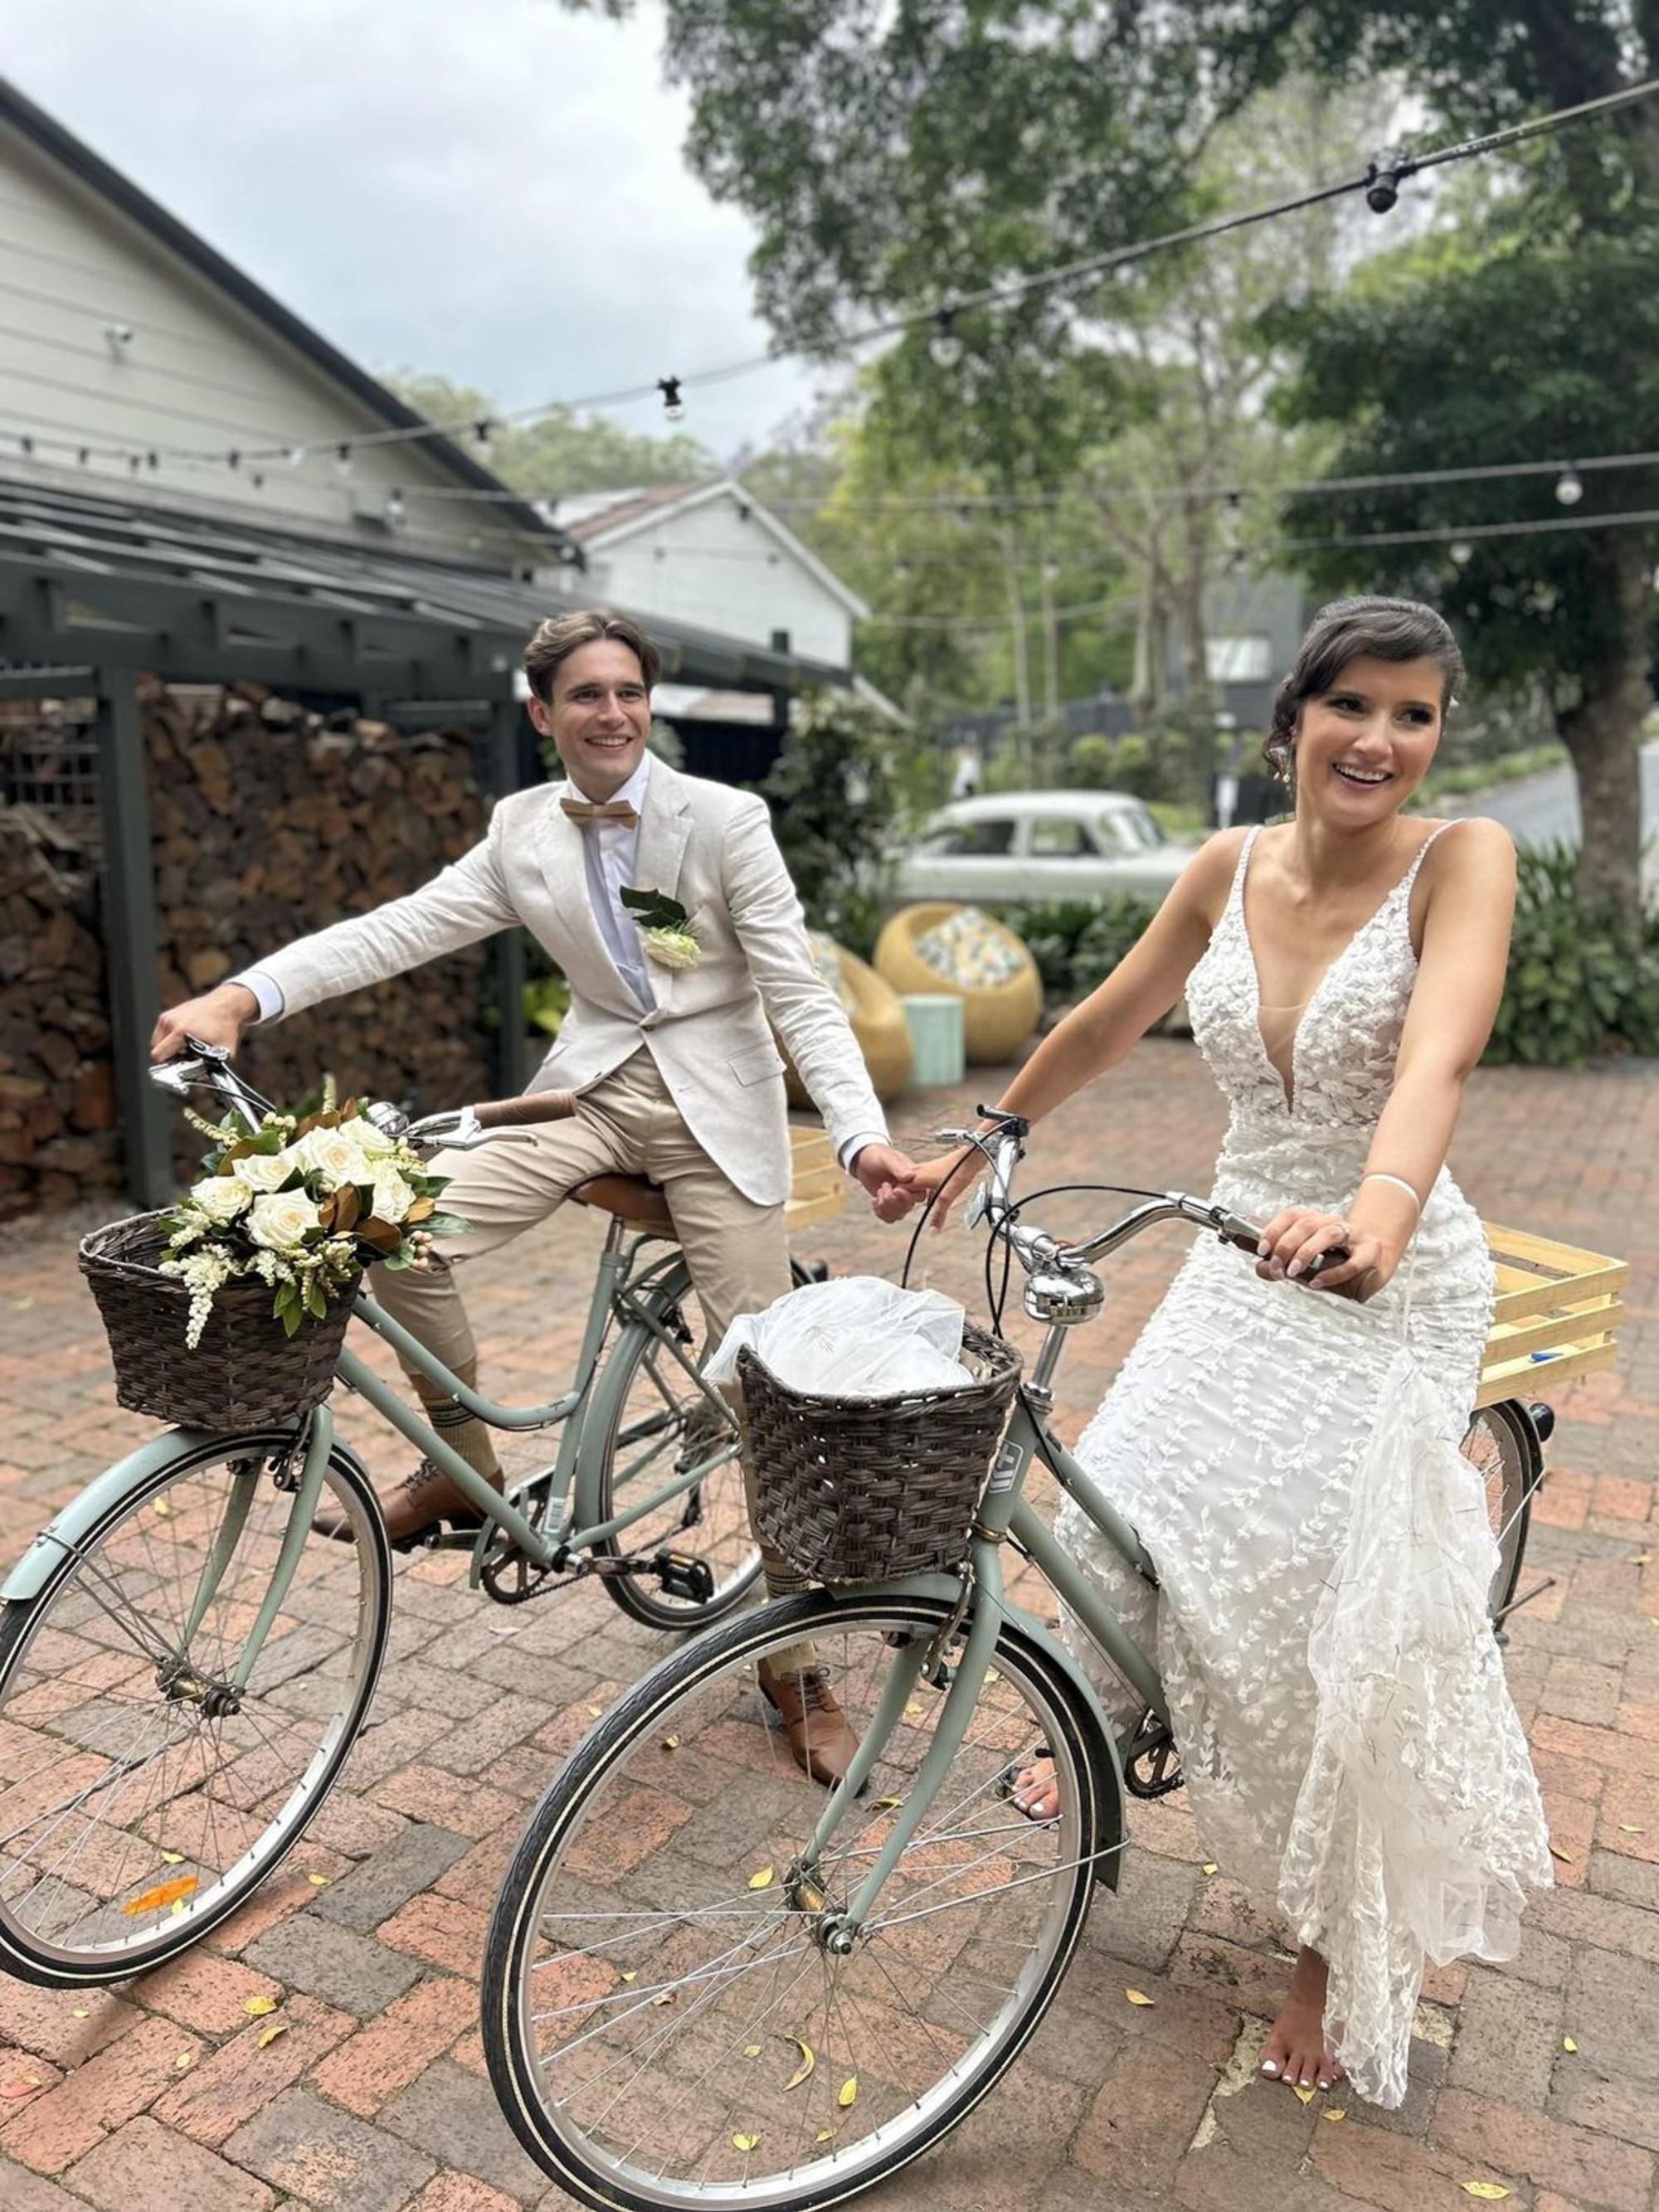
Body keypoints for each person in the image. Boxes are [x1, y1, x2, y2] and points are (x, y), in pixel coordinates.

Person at [898, 596, 1551, 2107]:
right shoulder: (1226, 865)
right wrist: (987, 1136)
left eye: (1415, 714)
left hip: (1385, 1269)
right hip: (1238, 1246)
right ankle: (1120, 1720)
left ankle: (1331, 1940)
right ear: (1293, 719)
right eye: (1353, 705)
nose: (1381, 739)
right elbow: (1112, 1013)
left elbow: (1441, 1053)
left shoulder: (1466, 860)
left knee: (1326, 1607)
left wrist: (1379, 1212)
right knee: (1111, 1508)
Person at [152, 607, 917, 1787]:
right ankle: (465, 1474)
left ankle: (795, 1663)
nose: (612, 713)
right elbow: (397, 930)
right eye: (587, 695)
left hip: (718, 1115)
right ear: (542, 713)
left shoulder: (725, 822)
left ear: (648, 705)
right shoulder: (523, 830)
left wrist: (861, 1141)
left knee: (767, 1390)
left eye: (629, 693)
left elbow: (798, 994)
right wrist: (244, 997)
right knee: (386, 1223)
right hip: (590, 1097)